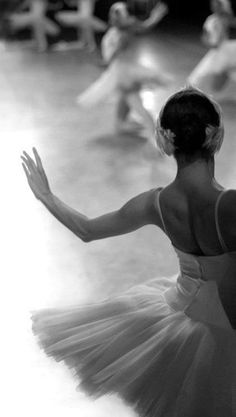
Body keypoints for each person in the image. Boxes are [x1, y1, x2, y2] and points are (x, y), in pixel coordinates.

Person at [21, 87, 236, 417]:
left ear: (166, 141)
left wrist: (47, 196)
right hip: (225, 331)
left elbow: (87, 230)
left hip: (177, 318)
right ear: (215, 136)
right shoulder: (229, 205)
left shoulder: (155, 203)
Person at [76, 1, 171, 145]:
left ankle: (132, 127)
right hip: (122, 73)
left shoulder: (124, 31)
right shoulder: (119, 33)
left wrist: (155, 15)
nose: (116, 18)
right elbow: (114, 53)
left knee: (129, 99)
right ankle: (143, 131)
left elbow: (117, 51)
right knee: (132, 100)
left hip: (125, 71)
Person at [188, 0, 236, 96]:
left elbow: (230, 28)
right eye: (213, 5)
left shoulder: (226, 19)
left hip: (227, 50)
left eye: (217, 5)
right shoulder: (210, 19)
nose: (214, 7)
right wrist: (208, 42)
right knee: (198, 76)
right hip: (217, 51)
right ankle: (195, 94)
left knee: (229, 72)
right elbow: (205, 35)